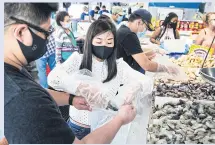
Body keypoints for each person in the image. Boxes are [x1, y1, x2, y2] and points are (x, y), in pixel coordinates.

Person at [4, 3, 136, 144]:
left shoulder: (15, 72)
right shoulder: (25, 98)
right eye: (46, 32)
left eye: (110, 41)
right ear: (21, 32)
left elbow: (39, 93)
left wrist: (71, 99)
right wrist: (120, 119)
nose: (49, 39)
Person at [48, 19, 153, 140]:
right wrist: (80, 87)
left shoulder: (119, 66)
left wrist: (135, 88)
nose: (104, 45)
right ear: (90, 40)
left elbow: (147, 82)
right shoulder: (77, 60)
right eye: (99, 41)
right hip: (78, 128)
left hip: (105, 128)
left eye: (109, 42)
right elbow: (53, 78)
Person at [117, 9, 180, 74]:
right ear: (139, 22)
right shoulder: (129, 35)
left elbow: (132, 51)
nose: (144, 30)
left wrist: (151, 52)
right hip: (123, 74)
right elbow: (146, 65)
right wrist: (167, 68)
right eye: (145, 27)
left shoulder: (123, 29)